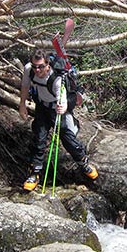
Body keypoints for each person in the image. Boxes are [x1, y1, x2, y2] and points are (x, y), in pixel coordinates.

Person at [19, 50, 98, 191]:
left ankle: (83, 162)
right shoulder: (29, 69)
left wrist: (63, 107)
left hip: (56, 107)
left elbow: (62, 99)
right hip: (42, 106)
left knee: (66, 137)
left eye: (41, 66)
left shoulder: (56, 78)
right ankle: (35, 173)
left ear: (47, 65)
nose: (37, 70)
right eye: (35, 66)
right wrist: (22, 105)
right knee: (39, 137)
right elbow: (25, 86)